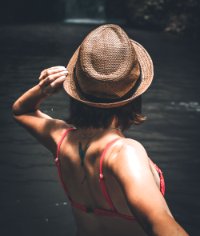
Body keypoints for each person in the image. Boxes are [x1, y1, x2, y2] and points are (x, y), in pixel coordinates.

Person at [12, 24, 188, 236]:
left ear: (75, 88)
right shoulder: (124, 153)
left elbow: (21, 111)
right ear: (135, 94)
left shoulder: (61, 139)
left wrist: (44, 88)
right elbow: (160, 224)